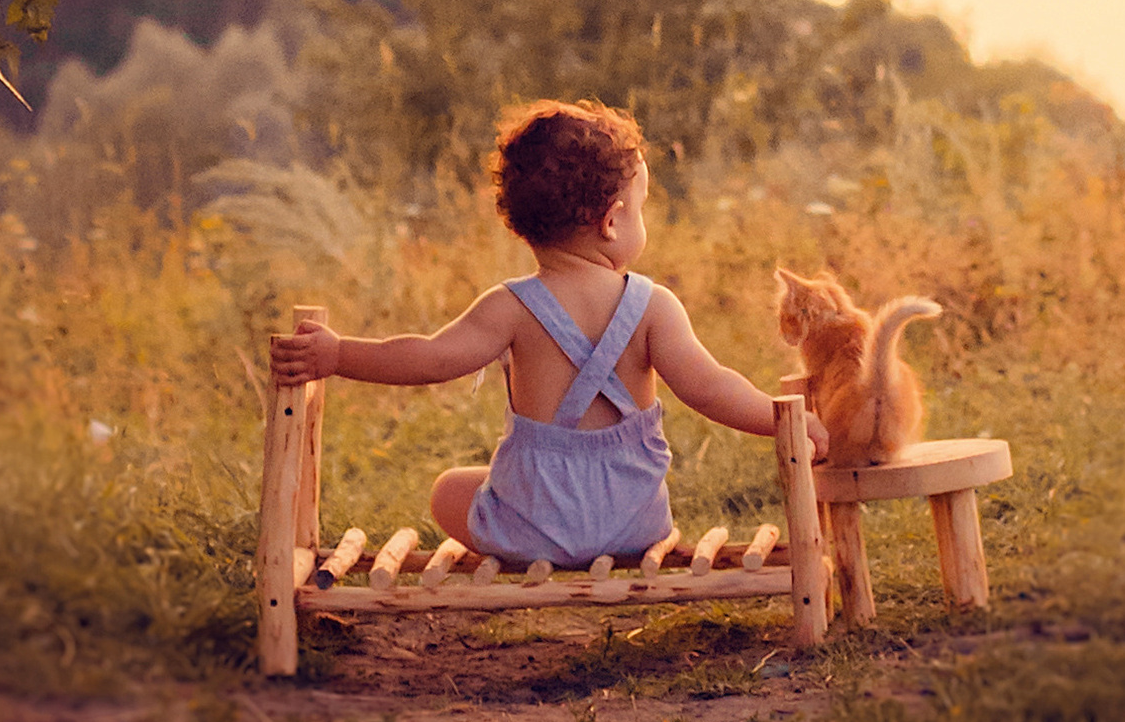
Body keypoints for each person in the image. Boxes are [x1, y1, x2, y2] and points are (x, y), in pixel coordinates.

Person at [267, 95, 821, 567]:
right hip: (634, 527)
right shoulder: (654, 306)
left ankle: (538, 536)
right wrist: (783, 422)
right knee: (491, 484)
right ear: (611, 220)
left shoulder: (509, 308)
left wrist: (338, 355)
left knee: (449, 490)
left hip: (534, 532)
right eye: (642, 209)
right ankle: (580, 525)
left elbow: (429, 359)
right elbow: (711, 387)